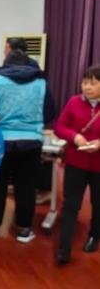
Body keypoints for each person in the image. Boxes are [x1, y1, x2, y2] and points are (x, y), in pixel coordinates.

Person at [0, 50, 55, 243]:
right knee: (26, 186)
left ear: (6, 64)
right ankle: (24, 230)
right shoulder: (41, 83)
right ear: (28, 64)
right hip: (30, 142)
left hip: (0, 141)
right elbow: (49, 113)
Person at [54, 65, 100, 264]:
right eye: (85, 82)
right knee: (71, 205)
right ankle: (64, 247)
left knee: (98, 204)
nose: (87, 87)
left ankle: (94, 237)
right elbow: (59, 127)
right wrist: (75, 137)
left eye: (93, 83)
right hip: (75, 162)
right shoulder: (74, 102)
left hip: (98, 165)